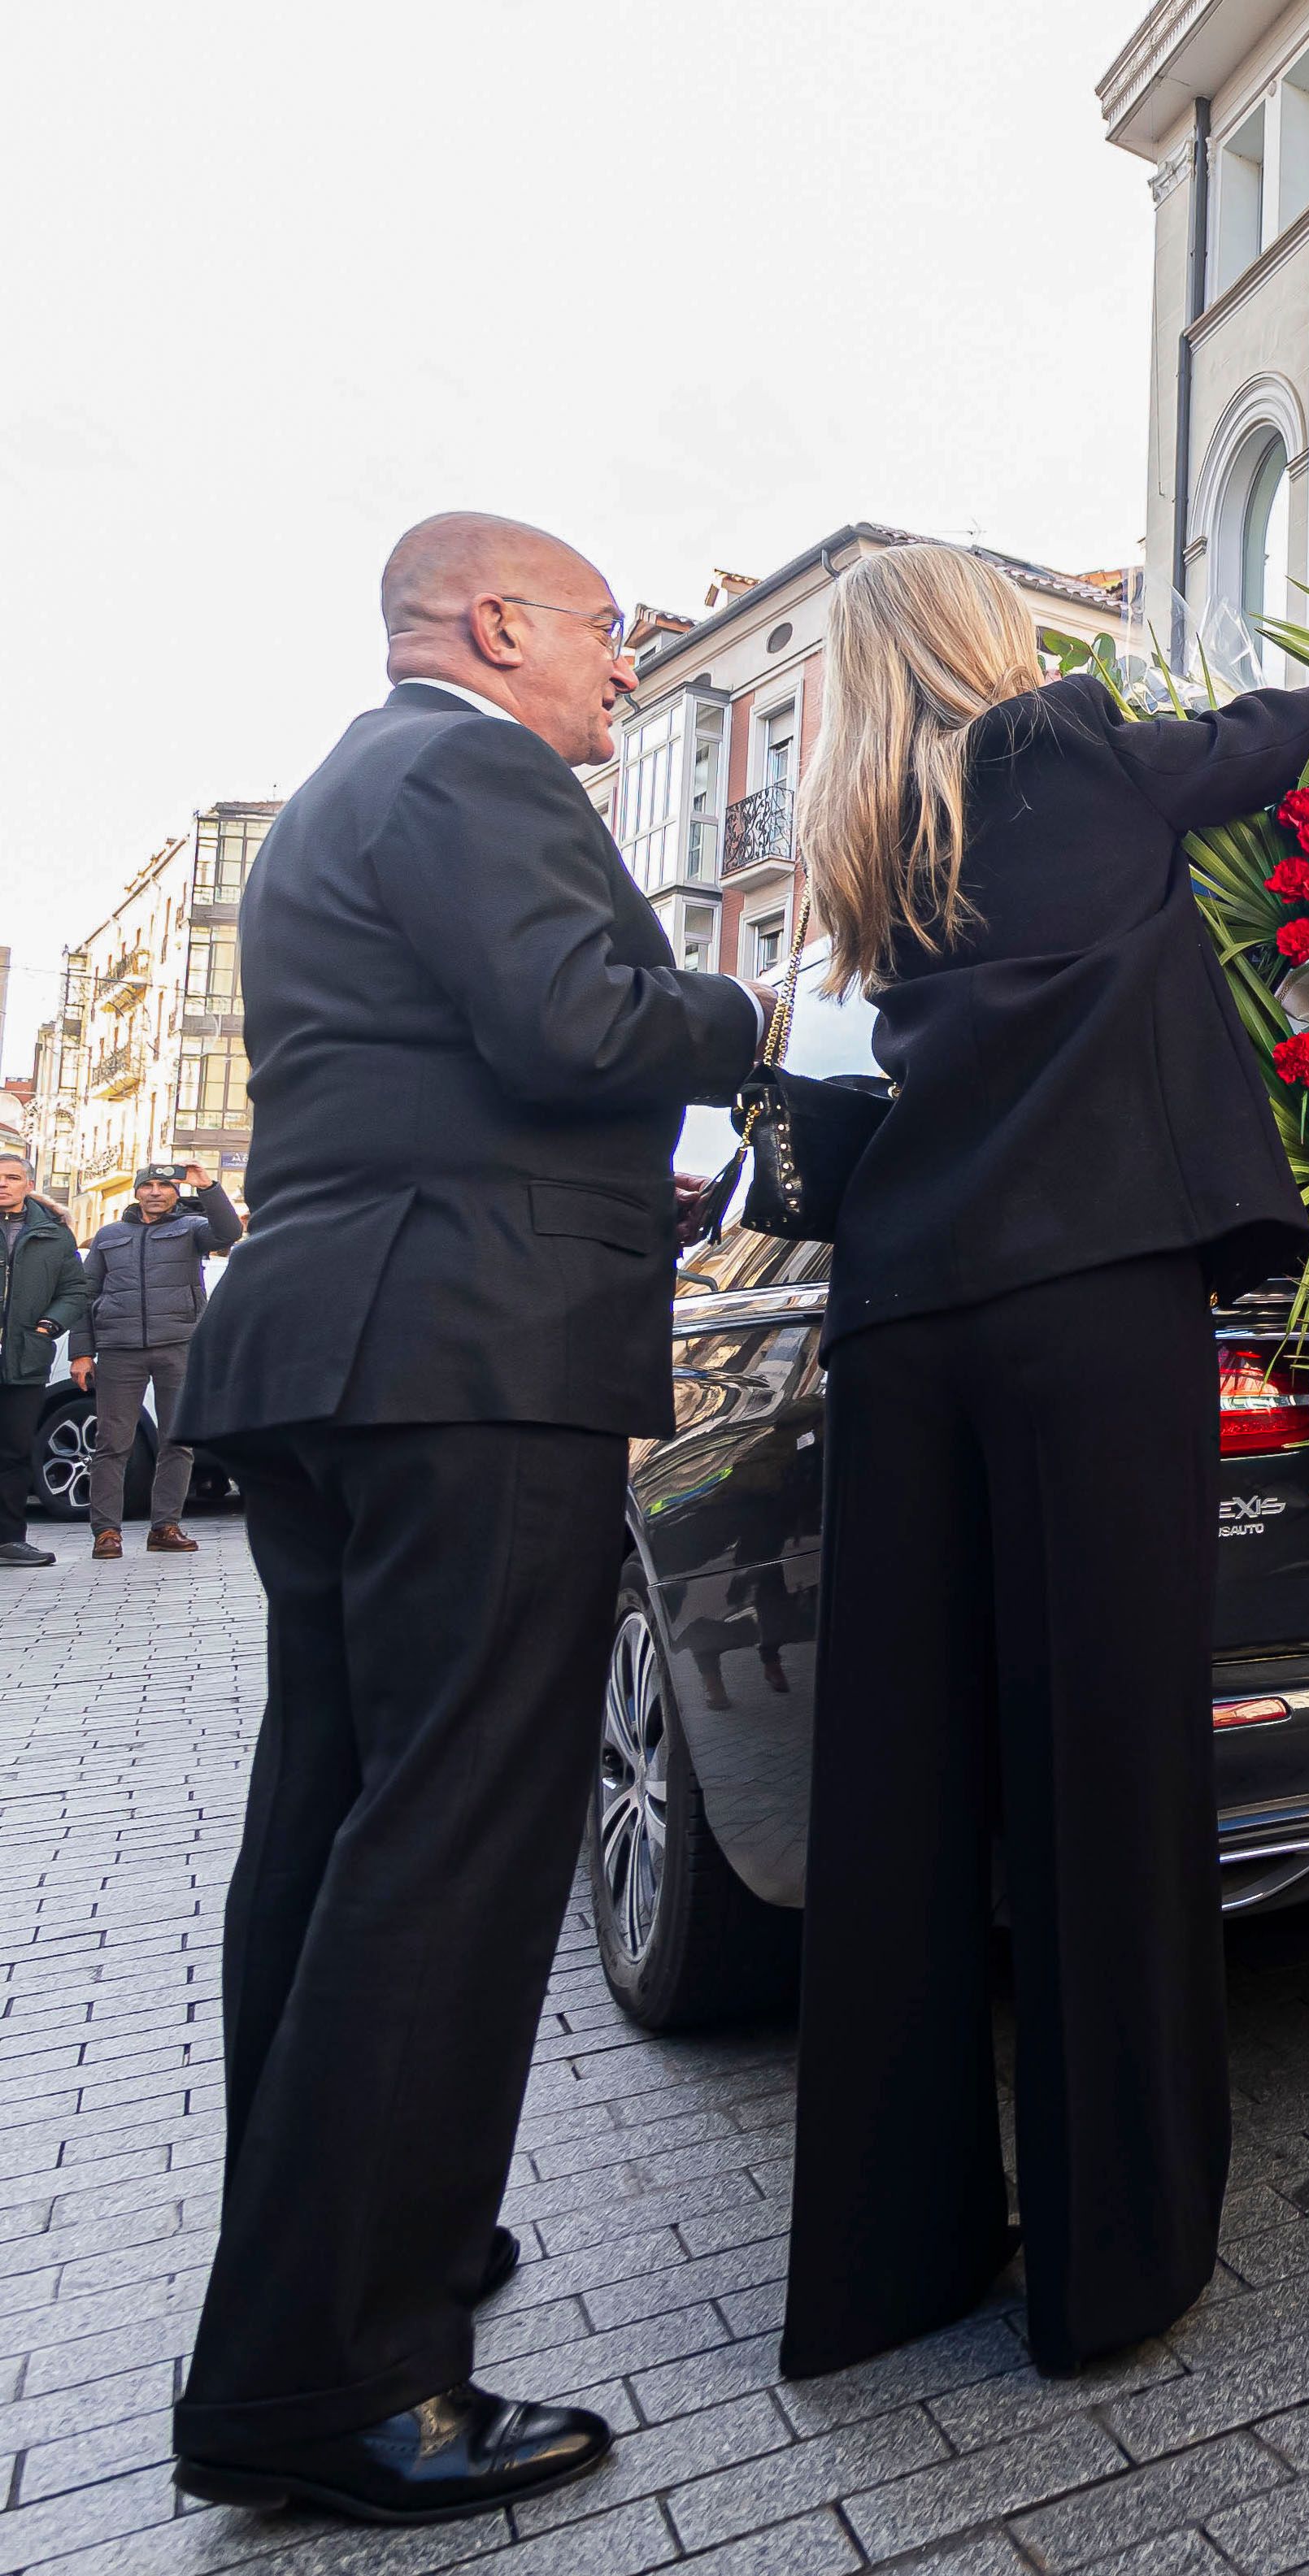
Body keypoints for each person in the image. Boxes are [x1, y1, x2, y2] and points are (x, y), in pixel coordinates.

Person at [171, 514, 766, 2522]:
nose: (626, 663)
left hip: (343, 1339)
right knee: (456, 1840)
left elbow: (455, 1064)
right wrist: (753, 1022)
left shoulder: (351, 787)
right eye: (604, 629)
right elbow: (576, 1022)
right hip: (470, 1349)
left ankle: (325, 2245)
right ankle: (343, 2374)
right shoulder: (473, 766)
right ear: (500, 625)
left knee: (340, 1816)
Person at [784, 543, 1309, 2377]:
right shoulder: (1070, 747)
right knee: (1105, 1766)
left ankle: (889, 2262)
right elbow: (1288, 730)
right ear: (988, 641)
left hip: (900, 1311)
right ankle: (1110, 2264)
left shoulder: (866, 833)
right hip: (1085, 1294)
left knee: (903, 1786)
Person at [72, 1158, 241, 1556]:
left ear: (175, 1194)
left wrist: (207, 1186)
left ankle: (165, 1527)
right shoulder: (109, 1235)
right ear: (136, 1192)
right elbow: (85, 1294)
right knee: (112, 1444)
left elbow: (229, 1232)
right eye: (148, 1186)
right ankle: (106, 1533)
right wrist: (81, 1352)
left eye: (165, 1187)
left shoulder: (192, 1228)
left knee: (177, 1441)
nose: (156, 1193)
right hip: (118, 1350)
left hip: (178, 1345)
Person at [0, 1154, 90, 1570]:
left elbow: (75, 1290)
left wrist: (48, 1326)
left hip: (26, 1360)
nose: (3, 1184)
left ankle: (9, 1540)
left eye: (12, 1177)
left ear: (29, 1185)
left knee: (15, 1452)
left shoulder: (55, 1235)